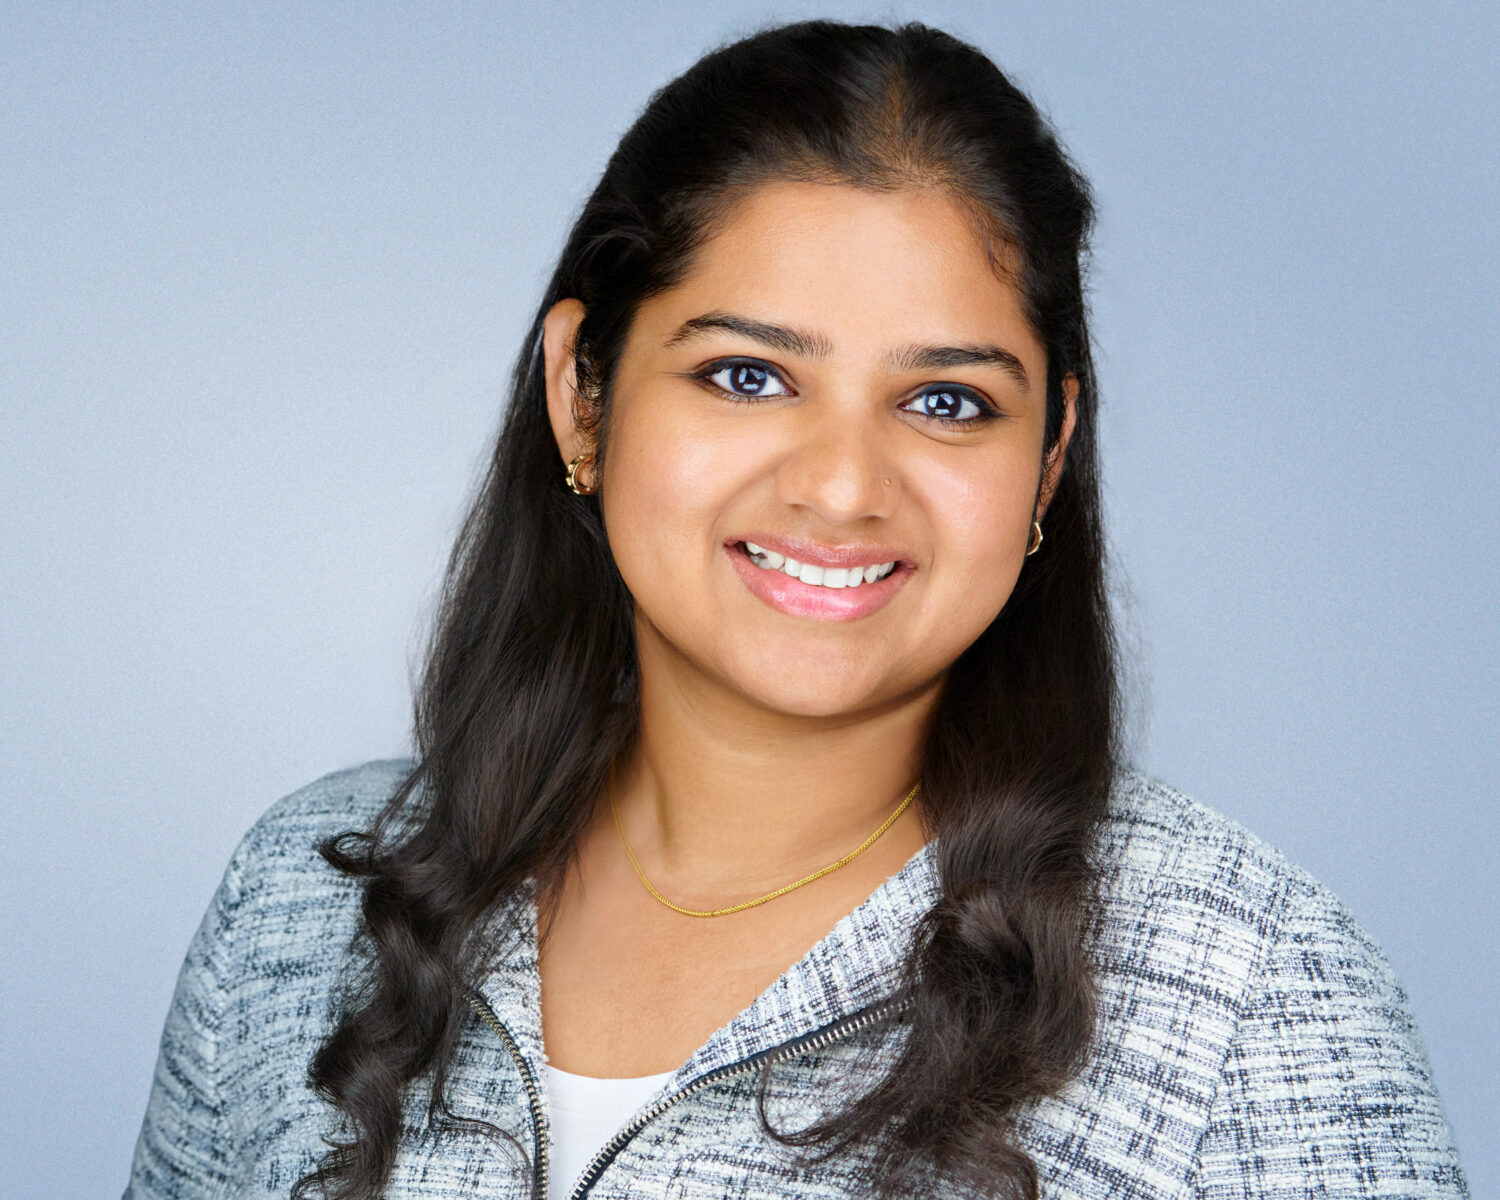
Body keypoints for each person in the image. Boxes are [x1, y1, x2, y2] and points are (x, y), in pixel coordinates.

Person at [124, 18, 1468, 1200]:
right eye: (749, 377)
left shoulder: (1250, 992)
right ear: (580, 394)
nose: (840, 485)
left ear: (1049, 455)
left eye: (947, 401)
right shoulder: (299, 903)